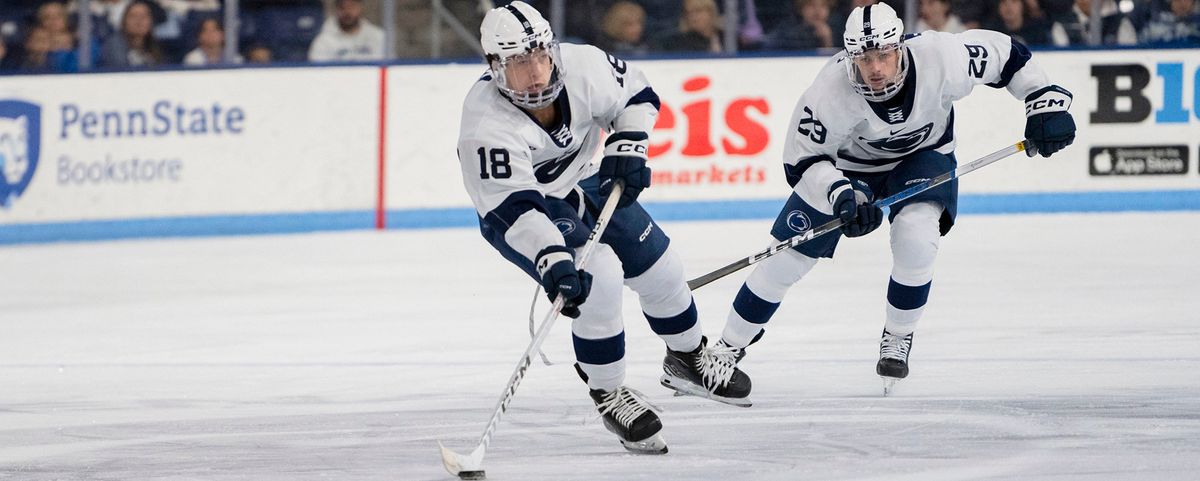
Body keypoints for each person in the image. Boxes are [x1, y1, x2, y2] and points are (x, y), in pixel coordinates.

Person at [706, 2, 1076, 394]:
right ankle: (725, 351)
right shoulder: (829, 91)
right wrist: (841, 195)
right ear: (850, 58)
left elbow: (1010, 56)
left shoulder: (942, 57)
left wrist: (1044, 100)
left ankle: (898, 336)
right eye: (864, 59)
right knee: (786, 259)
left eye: (884, 54)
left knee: (917, 237)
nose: (876, 69)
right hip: (849, 169)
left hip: (924, 154)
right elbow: (802, 163)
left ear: (901, 46)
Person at [456, 1, 749, 454]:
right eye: (517, 64)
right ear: (494, 67)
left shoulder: (583, 65)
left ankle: (687, 358)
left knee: (661, 267)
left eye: (538, 56)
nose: (534, 73)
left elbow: (637, 94)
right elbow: (513, 209)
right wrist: (551, 256)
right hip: (524, 212)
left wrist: (629, 144)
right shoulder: (484, 125)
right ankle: (608, 392)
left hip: (587, 181)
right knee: (601, 279)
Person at [307, 0, 384, 62]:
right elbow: (319, 73)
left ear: (361, 7)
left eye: (352, 6)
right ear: (336, 9)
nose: (347, 12)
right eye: (342, 7)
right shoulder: (323, 41)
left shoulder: (377, 36)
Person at [98, 0, 165, 68]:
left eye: (144, 16)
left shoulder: (154, 48)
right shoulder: (114, 45)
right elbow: (121, 73)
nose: (139, 21)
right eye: (133, 16)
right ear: (124, 21)